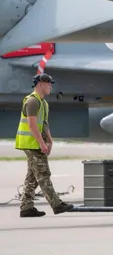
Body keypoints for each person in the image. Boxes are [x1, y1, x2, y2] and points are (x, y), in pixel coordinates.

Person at [15, 73, 74, 217]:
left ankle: (26, 207)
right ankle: (57, 204)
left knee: (33, 177)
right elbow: (32, 125)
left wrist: (50, 140)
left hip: (36, 144)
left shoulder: (43, 103)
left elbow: (44, 125)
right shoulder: (32, 101)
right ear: (40, 83)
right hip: (31, 144)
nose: (50, 86)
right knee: (43, 174)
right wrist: (42, 143)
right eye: (48, 83)